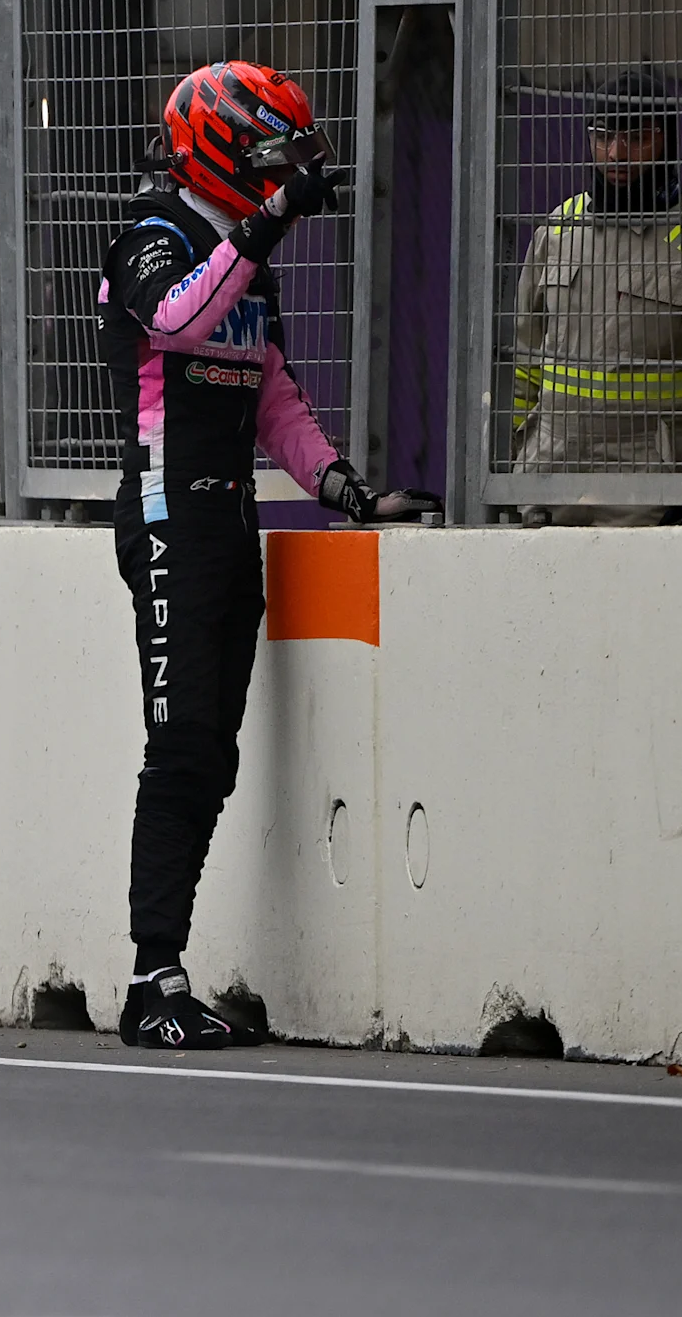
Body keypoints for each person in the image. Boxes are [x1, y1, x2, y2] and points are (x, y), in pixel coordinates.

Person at [95, 61, 436, 1052]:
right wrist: (265, 222)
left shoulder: (241, 253)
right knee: (177, 748)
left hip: (229, 523)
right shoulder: (151, 232)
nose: (280, 171)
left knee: (209, 753)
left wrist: (341, 488)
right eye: (262, 154)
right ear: (214, 145)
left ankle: (162, 975)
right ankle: (148, 982)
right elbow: (173, 320)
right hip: (166, 522)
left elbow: (271, 394)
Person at [510, 72, 682, 524]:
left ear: (666, 140)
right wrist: (514, 460)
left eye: (635, 137)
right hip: (549, 483)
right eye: (603, 135)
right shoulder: (558, 230)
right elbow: (521, 363)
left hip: (655, 491)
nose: (615, 153)